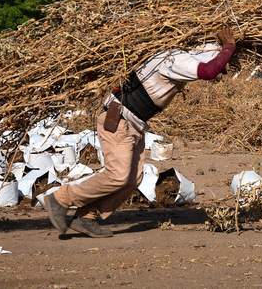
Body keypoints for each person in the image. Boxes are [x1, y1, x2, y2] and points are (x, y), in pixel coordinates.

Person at [47, 26, 238, 238]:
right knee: (117, 175)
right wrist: (228, 46)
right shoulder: (175, 58)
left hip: (133, 123)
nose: (221, 71)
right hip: (119, 119)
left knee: (132, 179)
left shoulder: (175, 57)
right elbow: (208, 71)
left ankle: (87, 216)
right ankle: (61, 198)